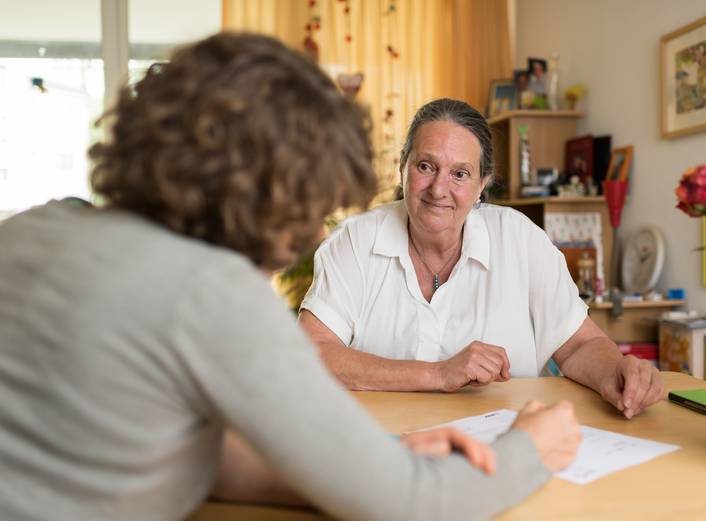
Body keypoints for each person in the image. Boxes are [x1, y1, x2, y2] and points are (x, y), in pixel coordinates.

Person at [0, 34, 582, 521]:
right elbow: (412, 506)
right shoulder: (207, 294)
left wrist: (359, 467)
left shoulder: (32, 229)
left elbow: (173, 453)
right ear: (261, 190)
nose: (299, 241)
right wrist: (531, 451)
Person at [299, 98, 664, 419]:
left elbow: (580, 345)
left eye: (460, 174)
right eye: (425, 166)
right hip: (382, 446)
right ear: (403, 167)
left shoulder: (521, 239)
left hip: (504, 447)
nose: (439, 189)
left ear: (481, 185)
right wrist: (438, 374)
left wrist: (618, 374)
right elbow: (310, 354)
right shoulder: (354, 240)